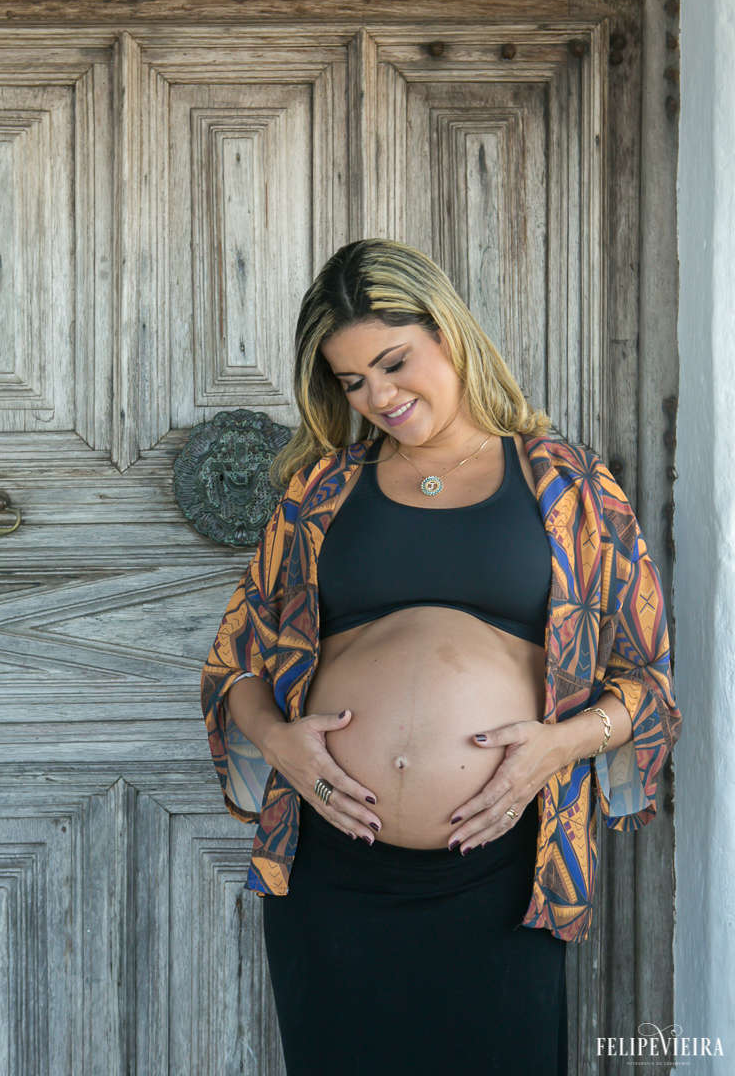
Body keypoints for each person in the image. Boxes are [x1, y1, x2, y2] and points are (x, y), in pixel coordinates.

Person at [201, 238, 682, 1076]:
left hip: (501, 877)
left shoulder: (568, 487)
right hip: (331, 880)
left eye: (393, 363)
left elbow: (647, 683)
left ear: (450, 332)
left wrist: (558, 746)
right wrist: (277, 741)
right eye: (352, 381)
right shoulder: (319, 491)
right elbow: (236, 661)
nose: (379, 396)